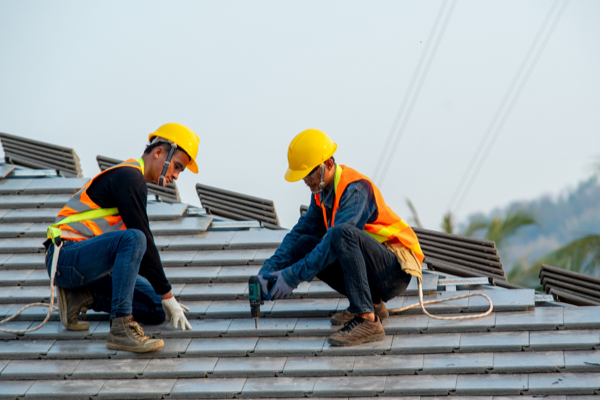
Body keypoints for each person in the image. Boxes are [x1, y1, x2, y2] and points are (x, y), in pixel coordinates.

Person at [258, 129, 424, 347]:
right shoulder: (322, 192)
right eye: (303, 176)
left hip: (395, 271)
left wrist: (291, 276)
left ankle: (368, 319)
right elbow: (300, 231)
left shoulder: (355, 190)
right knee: (303, 244)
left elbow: (336, 242)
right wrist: (269, 269)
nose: (306, 181)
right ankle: (372, 303)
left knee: (340, 233)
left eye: (309, 174)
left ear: (326, 164)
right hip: (375, 269)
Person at [44, 123, 200, 353]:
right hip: (65, 257)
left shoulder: (133, 181)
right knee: (135, 238)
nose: (175, 175)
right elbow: (141, 239)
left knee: (157, 309)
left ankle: (82, 296)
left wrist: (164, 299)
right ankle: (121, 328)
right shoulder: (129, 177)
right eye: (176, 166)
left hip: (87, 265)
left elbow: (137, 253)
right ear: (159, 153)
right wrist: (168, 293)